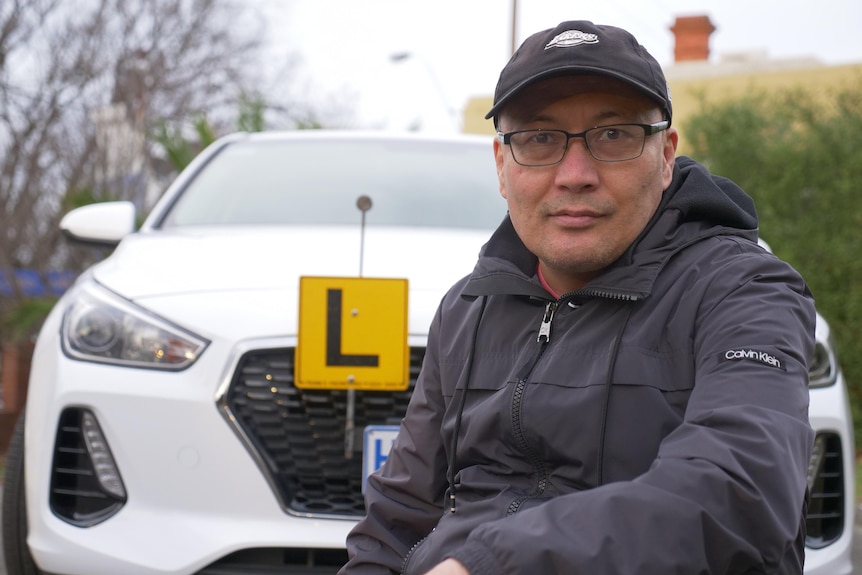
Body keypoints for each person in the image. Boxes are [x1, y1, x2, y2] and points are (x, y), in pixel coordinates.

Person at [339, 20, 815, 575]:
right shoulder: (467, 308)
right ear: (501, 164)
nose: (575, 174)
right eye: (539, 139)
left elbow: (744, 489)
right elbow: (397, 518)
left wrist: (490, 563)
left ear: (665, 156)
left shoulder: (743, 291)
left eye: (613, 136)